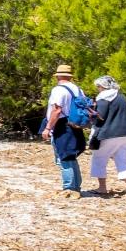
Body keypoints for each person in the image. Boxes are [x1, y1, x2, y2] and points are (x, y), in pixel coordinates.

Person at [41, 63, 88, 197]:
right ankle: (76, 187)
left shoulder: (58, 90)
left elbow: (57, 110)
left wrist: (48, 128)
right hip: (75, 125)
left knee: (64, 157)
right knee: (71, 156)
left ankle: (69, 188)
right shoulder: (78, 89)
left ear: (58, 76)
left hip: (63, 125)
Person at [89, 75, 126, 197]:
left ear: (103, 86)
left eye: (98, 86)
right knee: (124, 160)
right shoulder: (121, 96)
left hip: (108, 134)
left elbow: (100, 116)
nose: (98, 89)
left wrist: (90, 114)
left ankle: (102, 188)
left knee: (99, 158)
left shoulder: (103, 97)